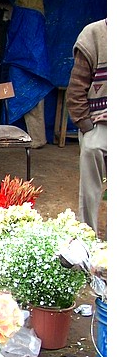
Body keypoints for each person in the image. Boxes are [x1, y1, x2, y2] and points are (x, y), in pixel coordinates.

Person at [65, 18, 107, 235]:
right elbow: (76, 89)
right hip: (100, 124)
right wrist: (86, 126)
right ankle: (88, 239)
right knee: (90, 192)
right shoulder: (94, 34)